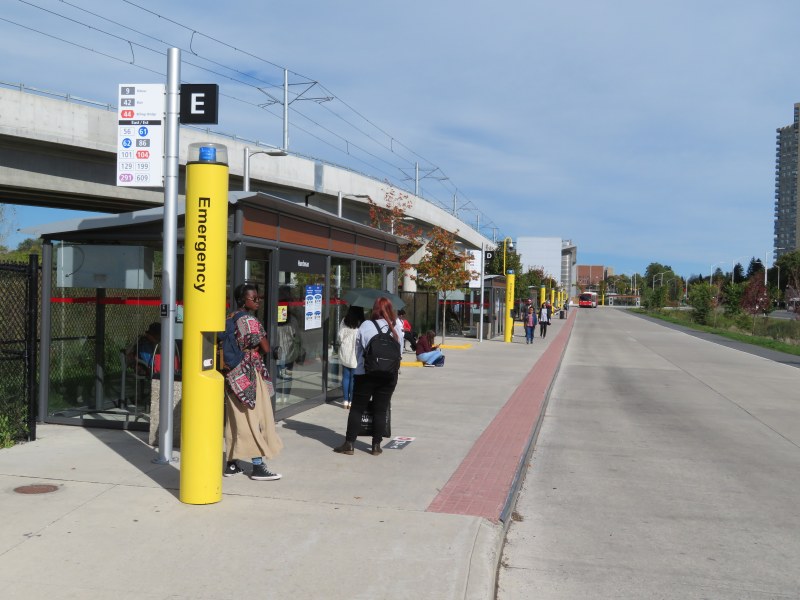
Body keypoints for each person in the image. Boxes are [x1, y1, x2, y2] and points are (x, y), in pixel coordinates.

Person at [222, 283, 283, 481]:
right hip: (249, 373)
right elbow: (265, 348)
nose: (258, 301)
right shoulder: (249, 320)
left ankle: (232, 464)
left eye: (258, 297)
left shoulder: (230, 318)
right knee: (254, 418)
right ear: (243, 300)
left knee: (236, 419)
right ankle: (257, 466)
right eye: (254, 298)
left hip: (233, 375)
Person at [333, 296, 403, 456]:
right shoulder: (396, 326)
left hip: (366, 374)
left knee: (357, 408)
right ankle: (376, 446)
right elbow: (399, 353)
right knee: (380, 409)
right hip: (389, 376)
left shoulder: (366, 325)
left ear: (375, 309)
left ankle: (349, 443)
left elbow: (359, 351)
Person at [337, 305, 364, 410]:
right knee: (353, 378)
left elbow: (340, 336)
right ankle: (352, 401)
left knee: (346, 377)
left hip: (345, 351)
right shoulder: (362, 323)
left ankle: (345, 401)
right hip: (356, 352)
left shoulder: (345, 320)